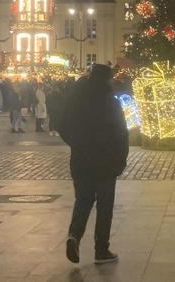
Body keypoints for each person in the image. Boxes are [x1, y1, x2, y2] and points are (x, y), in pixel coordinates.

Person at [59, 64, 128, 265]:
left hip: (81, 159)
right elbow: (121, 133)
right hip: (106, 161)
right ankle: (101, 250)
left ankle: (74, 236)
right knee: (105, 206)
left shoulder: (77, 100)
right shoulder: (110, 103)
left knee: (83, 200)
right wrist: (121, 158)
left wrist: (78, 143)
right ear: (106, 80)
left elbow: (63, 126)